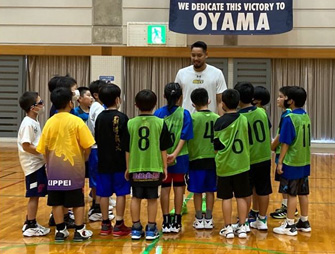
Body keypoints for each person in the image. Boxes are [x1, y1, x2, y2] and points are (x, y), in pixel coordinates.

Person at [36, 87, 95, 241]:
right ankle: (79, 230)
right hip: (74, 169)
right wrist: (84, 159)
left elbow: (43, 148)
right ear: (70, 103)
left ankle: (60, 230)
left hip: (54, 170)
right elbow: (88, 145)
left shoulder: (49, 123)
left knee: (56, 201)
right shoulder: (77, 122)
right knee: (76, 201)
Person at [125, 89, 172, 240]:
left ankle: (136, 228)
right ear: (155, 105)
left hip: (136, 167)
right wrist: (164, 167)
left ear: (136, 105)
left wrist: (128, 167)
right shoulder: (160, 123)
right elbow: (163, 148)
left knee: (135, 198)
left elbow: (127, 149)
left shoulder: (130, 123)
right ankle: (151, 228)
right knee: (153, 198)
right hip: (154, 167)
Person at [154, 82, 193, 234]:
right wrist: (175, 153)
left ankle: (165, 220)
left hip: (161, 157)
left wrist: (165, 155)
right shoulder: (185, 113)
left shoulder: (158, 113)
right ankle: (176, 220)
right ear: (180, 97)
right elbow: (185, 136)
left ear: (164, 96)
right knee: (178, 188)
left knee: (164, 188)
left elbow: (156, 137)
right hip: (180, 157)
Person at [273, 86, 311, 236]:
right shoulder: (305, 116)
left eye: (283, 97)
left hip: (292, 161)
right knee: (303, 193)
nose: (281, 99)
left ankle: (289, 224)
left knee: (291, 194)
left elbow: (286, 142)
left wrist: (280, 161)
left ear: (291, 101)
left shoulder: (290, 118)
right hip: (304, 160)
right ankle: (304, 221)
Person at [234, 82, 272, 231]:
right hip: (264, 157)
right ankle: (262, 220)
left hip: (247, 159)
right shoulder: (262, 112)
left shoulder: (238, 117)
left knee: (246, 191)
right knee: (263, 189)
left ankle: (245, 221)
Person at [95, 84, 131, 236]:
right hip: (120, 163)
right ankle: (119, 223)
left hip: (103, 162)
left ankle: (105, 224)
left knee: (104, 194)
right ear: (118, 99)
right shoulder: (122, 118)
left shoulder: (99, 118)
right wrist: (129, 166)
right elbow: (127, 144)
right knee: (121, 193)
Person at [214, 89, 251, 239]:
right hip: (242, 163)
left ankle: (228, 228)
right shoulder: (243, 119)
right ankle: (242, 227)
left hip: (225, 165)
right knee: (242, 196)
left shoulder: (219, 121)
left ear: (223, 104)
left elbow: (216, 146)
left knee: (226, 197)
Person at [18, 92, 50, 237]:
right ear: (33, 107)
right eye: (40, 102)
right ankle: (31, 224)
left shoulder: (34, 122)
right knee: (33, 195)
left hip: (38, 164)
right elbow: (26, 145)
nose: (43, 105)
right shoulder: (28, 124)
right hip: (32, 166)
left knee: (37, 194)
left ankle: (29, 221)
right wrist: (42, 152)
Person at [188, 88, 219, 230]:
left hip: (196, 159)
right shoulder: (217, 118)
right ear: (209, 101)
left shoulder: (192, 118)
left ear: (193, 104)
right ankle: (209, 217)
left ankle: (199, 218)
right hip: (213, 159)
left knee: (197, 191)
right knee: (210, 190)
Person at [175, 41, 227, 115]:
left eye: (199, 55)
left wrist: (221, 122)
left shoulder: (217, 73)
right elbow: (178, 100)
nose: (196, 58)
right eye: (193, 55)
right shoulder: (181, 73)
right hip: (188, 120)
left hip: (209, 120)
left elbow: (220, 102)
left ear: (206, 55)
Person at [87, 80, 113, 221]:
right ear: (96, 94)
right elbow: (101, 130)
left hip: (97, 148)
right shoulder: (98, 109)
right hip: (98, 148)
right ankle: (97, 208)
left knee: (96, 179)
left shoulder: (97, 107)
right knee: (98, 179)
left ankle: (96, 206)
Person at [270, 86, 297, 219]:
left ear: (288, 100)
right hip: (283, 153)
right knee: (283, 183)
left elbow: (282, 135)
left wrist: (272, 145)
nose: (278, 99)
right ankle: (285, 205)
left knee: (285, 184)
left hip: (284, 155)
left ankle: (287, 208)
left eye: (280, 96)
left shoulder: (287, 115)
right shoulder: (288, 114)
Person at [249, 85, 271, 221]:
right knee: (260, 188)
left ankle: (257, 212)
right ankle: (257, 212)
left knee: (256, 189)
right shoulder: (263, 114)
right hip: (264, 157)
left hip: (253, 156)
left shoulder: (253, 113)